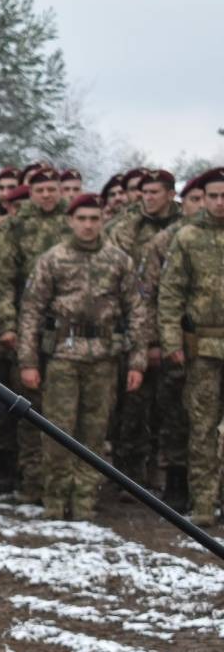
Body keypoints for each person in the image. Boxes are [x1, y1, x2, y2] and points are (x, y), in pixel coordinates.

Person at [18, 193, 147, 520]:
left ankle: (85, 500)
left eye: (94, 219)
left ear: (102, 221)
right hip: (63, 355)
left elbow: (137, 311)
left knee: (95, 431)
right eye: (82, 219)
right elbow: (32, 310)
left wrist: (137, 361)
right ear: (71, 221)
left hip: (104, 358)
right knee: (58, 430)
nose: (88, 225)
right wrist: (28, 361)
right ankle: (55, 499)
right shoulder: (53, 259)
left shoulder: (119, 260)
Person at [0, 165, 68, 502]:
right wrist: (8, 325)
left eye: (52, 189)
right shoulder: (15, 228)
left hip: (67, 330)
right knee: (27, 407)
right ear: (30, 192)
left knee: (62, 408)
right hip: (27, 327)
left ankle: (58, 484)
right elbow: (2, 283)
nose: (47, 195)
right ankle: (30, 479)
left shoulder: (74, 224)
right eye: (40, 190)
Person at [158, 167, 224, 528]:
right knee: (202, 428)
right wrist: (171, 341)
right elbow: (170, 293)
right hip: (204, 348)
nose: (218, 202)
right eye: (212, 195)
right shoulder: (188, 236)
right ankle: (203, 502)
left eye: (223, 195)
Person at [138, 172, 209, 507]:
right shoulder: (170, 240)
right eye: (196, 198)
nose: (204, 205)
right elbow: (153, 297)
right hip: (183, 342)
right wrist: (158, 342)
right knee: (178, 416)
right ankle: (180, 484)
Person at [108, 169, 181, 486]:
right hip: (134, 325)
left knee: (170, 407)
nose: (147, 198)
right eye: (144, 192)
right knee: (133, 405)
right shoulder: (125, 228)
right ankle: (128, 473)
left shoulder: (185, 228)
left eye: (154, 192)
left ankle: (163, 469)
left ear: (170, 194)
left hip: (175, 327)